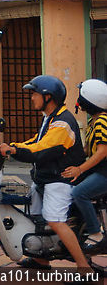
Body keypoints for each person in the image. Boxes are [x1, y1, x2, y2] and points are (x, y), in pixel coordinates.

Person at [0, 75, 89, 273]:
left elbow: (43, 149)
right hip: (44, 179)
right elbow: (35, 141)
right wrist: (12, 147)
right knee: (35, 219)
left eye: (35, 94)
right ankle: (41, 260)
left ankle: (84, 267)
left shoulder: (63, 122)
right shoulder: (51, 118)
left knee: (54, 220)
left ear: (48, 97)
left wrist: (14, 151)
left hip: (59, 180)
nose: (32, 98)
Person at [63, 79, 107, 252]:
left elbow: (102, 152)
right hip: (99, 170)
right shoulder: (93, 122)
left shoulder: (102, 121)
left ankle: (96, 232)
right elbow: (88, 149)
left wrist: (80, 169)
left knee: (79, 192)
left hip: (104, 172)